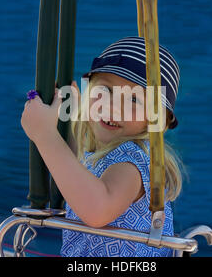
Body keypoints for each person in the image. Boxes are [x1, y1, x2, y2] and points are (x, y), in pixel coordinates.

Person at [21, 36, 185, 257]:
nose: (113, 106)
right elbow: (75, 172)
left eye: (134, 100)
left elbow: (97, 209)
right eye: (105, 91)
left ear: (156, 119)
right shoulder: (101, 151)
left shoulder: (133, 162)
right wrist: (64, 120)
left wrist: (45, 135)